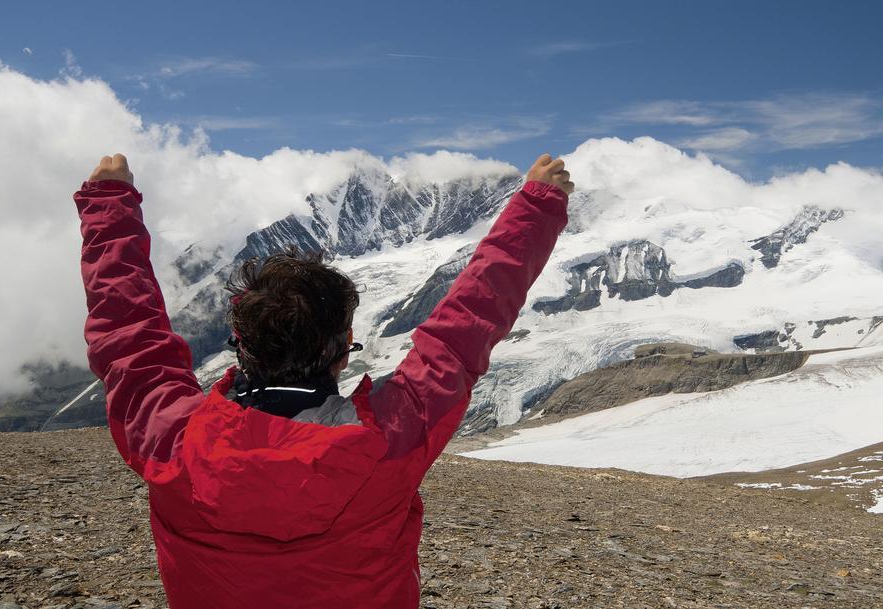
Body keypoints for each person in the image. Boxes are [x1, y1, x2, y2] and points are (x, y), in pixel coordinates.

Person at [75, 151, 573, 608]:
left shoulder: (171, 439)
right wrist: (536, 207)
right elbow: (466, 325)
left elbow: (127, 335)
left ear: (240, 343)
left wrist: (109, 207)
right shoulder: (390, 438)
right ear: (342, 349)